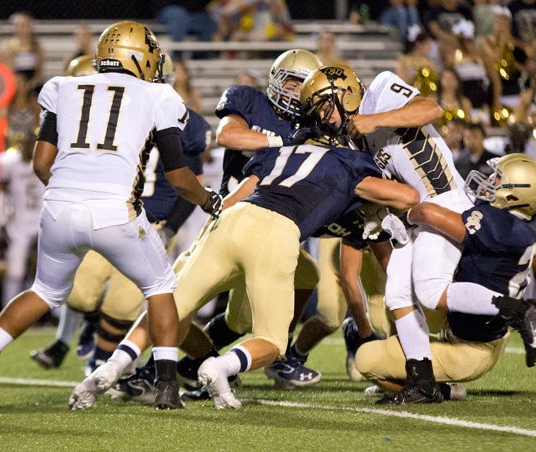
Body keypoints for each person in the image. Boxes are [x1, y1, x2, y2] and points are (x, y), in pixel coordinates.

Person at [0, 20, 222, 411]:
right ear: (137, 57)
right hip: (115, 210)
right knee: (160, 286)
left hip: (58, 206)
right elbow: (179, 176)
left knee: (44, 292)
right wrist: (208, 201)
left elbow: (42, 163)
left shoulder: (63, 87)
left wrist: (71, 193)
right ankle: (167, 386)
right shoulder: (159, 95)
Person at [68, 48, 324, 407]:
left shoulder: (313, 128)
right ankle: (148, 370)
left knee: (277, 295)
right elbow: (230, 136)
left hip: (270, 228)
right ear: (279, 79)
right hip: (231, 216)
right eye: (294, 81)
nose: (298, 91)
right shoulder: (250, 101)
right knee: (179, 301)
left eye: (305, 85)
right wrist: (284, 144)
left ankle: (213, 364)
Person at [172, 64, 419, 409]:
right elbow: (408, 199)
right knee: (256, 329)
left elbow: (240, 195)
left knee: (171, 305)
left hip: (243, 224)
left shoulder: (308, 161)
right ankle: (215, 364)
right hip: (267, 229)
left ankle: (136, 365)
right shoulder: (329, 158)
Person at [30, 52, 212, 374]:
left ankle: (104, 361)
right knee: (80, 295)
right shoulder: (112, 117)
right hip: (110, 214)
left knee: (126, 304)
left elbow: (189, 181)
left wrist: (170, 228)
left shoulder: (179, 119)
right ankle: (89, 338)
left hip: (149, 224)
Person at [356, 153, 536, 397]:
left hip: (471, 347)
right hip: (476, 319)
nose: (489, 181)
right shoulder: (525, 217)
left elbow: (427, 213)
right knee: (401, 294)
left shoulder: (501, 227)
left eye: (497, 179)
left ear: (513, 196)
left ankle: (432, 387)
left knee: (365, 360)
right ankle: (417, 371)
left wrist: (406, 217)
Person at [347, 68, 472, 404]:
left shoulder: (380, 89)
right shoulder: (355, 142)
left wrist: (376, 119)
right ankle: (423, 381)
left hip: (445, 201)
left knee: (431, 291)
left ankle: (514, 308)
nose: (325, 116)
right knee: (397, 294)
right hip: (415, 218)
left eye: (327, 107)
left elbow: (432, 109)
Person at [0, 134, 45, 307]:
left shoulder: (42, 162)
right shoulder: (11, 165)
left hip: (42, 221)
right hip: (19, 223)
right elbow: (1, 192)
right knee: (15, 270)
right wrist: (2, 221)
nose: (29, 148)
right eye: (27, 144)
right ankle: (7, 308)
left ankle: (54, 314)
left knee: (50, 270)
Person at [154, 0, 218, 60]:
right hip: (169, 10)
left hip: (195, 13)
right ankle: (176, 57)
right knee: (179, 14)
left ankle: (199, 56)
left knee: (210, 23)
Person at [5, 11, 44, 93]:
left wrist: (31, 84)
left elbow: (39, 72)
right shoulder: (10, 47)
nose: (21, 28)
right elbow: (9, 71)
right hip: (16, 84)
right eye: (17, 25)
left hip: (33, 84)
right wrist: (20, 84)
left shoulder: (36, 46)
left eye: (24, 25)